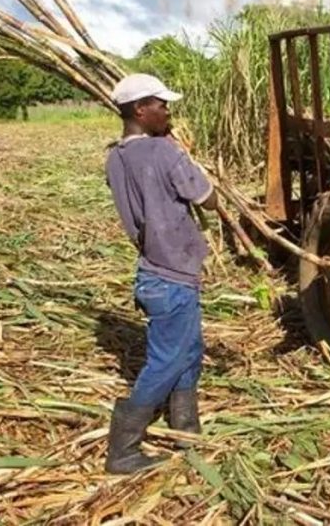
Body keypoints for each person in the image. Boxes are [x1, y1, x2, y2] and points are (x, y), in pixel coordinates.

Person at [103, 73, 218, 474]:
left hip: (153, 270)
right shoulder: (164, 153)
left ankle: (185, 424)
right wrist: (180, 155)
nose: (168, 111)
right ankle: (123, 447)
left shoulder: (115, 157)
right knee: (167, 360)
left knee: (188, 350)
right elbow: (208, 198)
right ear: (141, 110)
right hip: (172, 273)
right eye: (161, 105)